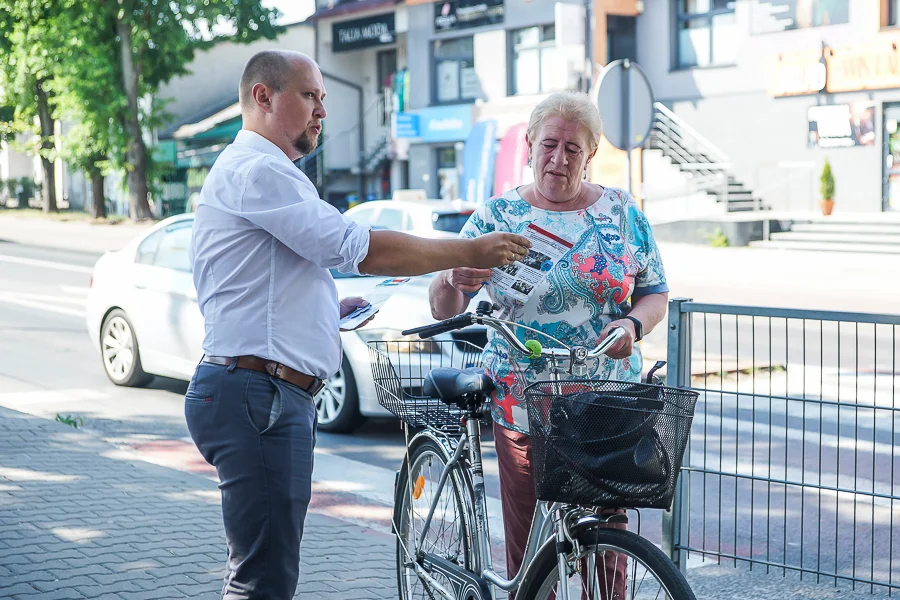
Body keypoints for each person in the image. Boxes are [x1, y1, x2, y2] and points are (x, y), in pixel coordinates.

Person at [185, 50, 531, 600]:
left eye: (324, 98)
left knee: (265, 573)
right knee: (262, 582)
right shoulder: (259, 170)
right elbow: (352, 245)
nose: (322, 110)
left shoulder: (263, 171)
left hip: (259, 391)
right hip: (259, 395)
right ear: (263, 97)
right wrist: (467, 247)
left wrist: (325, 311)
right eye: (310, 96)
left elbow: (260, 288)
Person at [428, 91, 669, 598]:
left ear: (591, 155)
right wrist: (454, 275)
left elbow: (654, 291)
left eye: (573, 149)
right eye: (549, 145)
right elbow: (443, 307)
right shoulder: (497, 216)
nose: (559, 159)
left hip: (605, 402)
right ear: (531, 145)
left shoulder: (622, 212)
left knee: (609, 546)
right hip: (523, 399)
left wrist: (632, 326)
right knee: (532, 546)